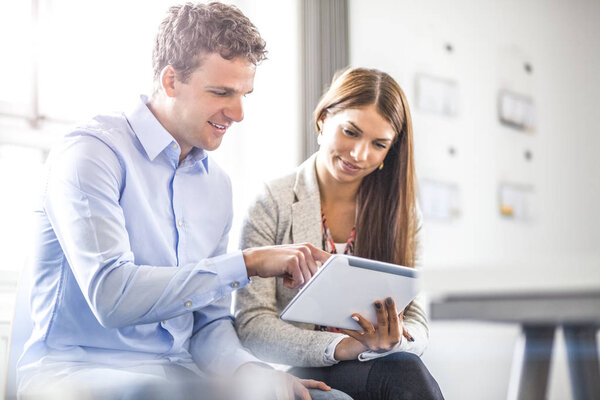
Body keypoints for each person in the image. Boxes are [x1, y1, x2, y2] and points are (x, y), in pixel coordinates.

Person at [17, 2, 351, 399]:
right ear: (171, 81)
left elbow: (207, 325)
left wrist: (251, 371)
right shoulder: (92, 154)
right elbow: (111, 296)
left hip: (179, 374)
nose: (239, 112)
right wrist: (247, 263)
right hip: (78, 373)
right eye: (221, 92)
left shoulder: (217, 186)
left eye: (245, 93)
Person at [235, 67, 445, 399]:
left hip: (380, 362)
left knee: (404, 367)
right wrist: (343, 346)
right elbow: (251, 324)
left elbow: (417, 320)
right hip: (306, 365)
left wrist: (396, 339)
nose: (360, 154)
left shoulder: (402, 215)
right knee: (403, 375)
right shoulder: (272, 201)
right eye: (350, 131)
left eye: (378, 144)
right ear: (322, 120)